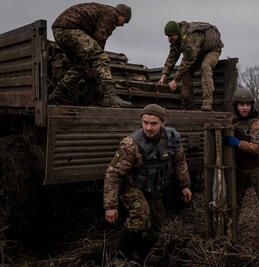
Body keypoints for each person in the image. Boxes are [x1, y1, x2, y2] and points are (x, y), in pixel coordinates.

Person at [103, 104, 192, 261]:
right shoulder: (131, 144)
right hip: (131, 185)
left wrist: (185, 186)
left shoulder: (172, 140)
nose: (148, 127)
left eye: (153, 123)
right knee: (141, 214)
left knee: (158, 220)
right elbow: (113, 174)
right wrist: (110, 206)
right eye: (145, 123)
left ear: (163, 123)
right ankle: (122, 257)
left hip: (153, 186)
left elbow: (180, 162)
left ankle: (142, 253)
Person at [224, 88, 259, 248]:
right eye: (241, 105)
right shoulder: (233, 122)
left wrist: (236, 143)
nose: (244, 108)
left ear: (251, 106)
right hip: (239, 168)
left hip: (257, 168)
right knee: (234, 202)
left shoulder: (257, 123)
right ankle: (230, 232)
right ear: (236, 105)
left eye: (247, 105)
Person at [49, 2, 133, 108]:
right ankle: (110, 96)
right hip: (68, 29)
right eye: (124, 21)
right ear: (120, 15)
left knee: (81, 65)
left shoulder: (106, 12)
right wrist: (97, 62)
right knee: (101, 58)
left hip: (61, 30)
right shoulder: (110, 14)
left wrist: (92, 66)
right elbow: (99, 39)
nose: (123, 25)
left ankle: (58, 94)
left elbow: (95, 42)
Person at [158, 21, 224, 111]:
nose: (169, 39)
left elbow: (188, 60)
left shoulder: (190, 37)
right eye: (168, 36)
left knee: (205, 66)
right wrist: (163, 76)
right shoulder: (175, 41)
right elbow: (172, 58)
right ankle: (189, 105)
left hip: (212, 50)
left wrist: (175, 80)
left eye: (171, 36)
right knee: (186, 72)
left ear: (177, 33)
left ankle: (207, 102)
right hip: (198, 52)